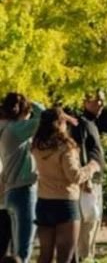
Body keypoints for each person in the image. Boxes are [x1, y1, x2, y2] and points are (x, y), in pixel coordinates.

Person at [32, 107, 101, 263]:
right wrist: (91, 167)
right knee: (65, 257)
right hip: (65, 203)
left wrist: (62, 117)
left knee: (45, 255)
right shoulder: (66, 147)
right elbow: (74, 176)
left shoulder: (37, 145)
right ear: (60, 123)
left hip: (43, 202)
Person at [0, 93, 44, 261]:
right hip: (24, 190)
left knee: (13, 246)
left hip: (10, 191)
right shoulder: (17, 129)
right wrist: (34, 103)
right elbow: (45, 118)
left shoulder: (5, 128)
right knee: (24, 247)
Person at [70, 93, 105, 263]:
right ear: (85, 101)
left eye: (102, 100)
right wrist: (87, 180)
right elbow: (80, 151)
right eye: (96, 100)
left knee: (93, 220)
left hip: (95, 178)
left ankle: (87, 255)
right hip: (88, 180)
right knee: (88, 221)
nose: (100, 103)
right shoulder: (82, 123)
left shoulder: (91, 122)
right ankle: (83, 257)